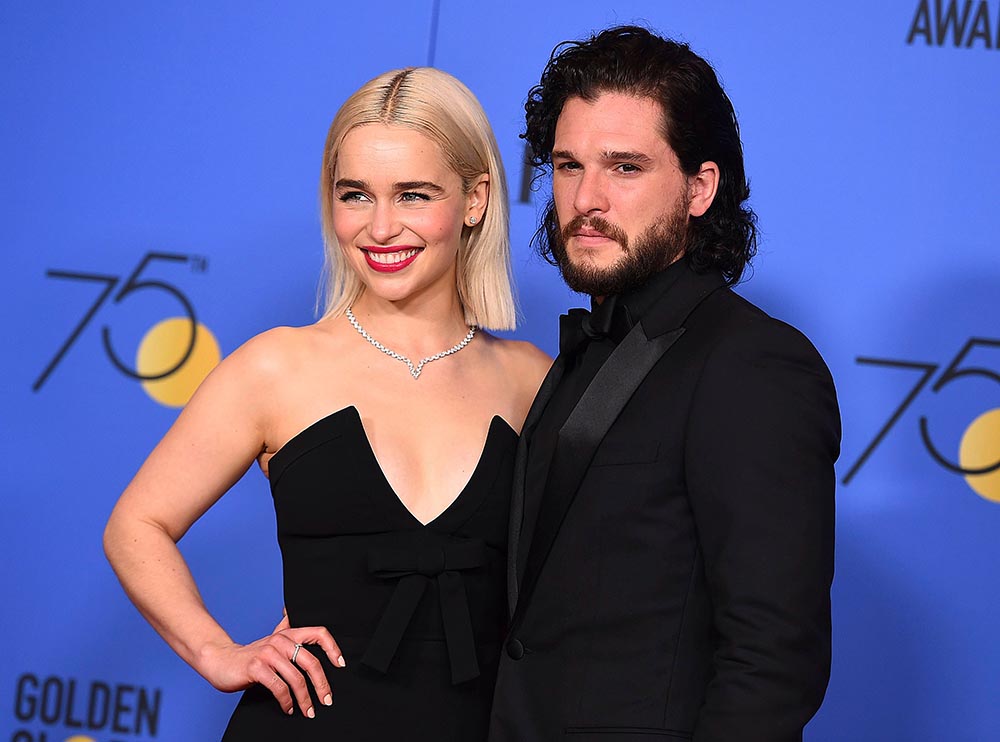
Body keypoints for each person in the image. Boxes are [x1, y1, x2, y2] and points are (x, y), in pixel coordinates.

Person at [104, 67, 550, 741]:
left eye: (413, 194)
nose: (380, 227)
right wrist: (215, 650)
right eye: (355, 195)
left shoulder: (532, 381)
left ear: (475, 198)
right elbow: (136, 524)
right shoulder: (277, 367)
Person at [489, 26, 841, 742]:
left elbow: (772, 663)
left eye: (624, 168)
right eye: (566, 165)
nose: (585, 199)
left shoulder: (755, 366)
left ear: (699, 188)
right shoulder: (582, 352)